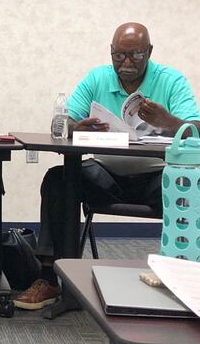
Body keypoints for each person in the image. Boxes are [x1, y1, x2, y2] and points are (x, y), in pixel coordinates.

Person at [14, 22, 200, 310]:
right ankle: (51, 278)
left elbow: (196, 130)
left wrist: (170, 123)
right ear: (111, 52)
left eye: (135, 56)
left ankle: (186, 283)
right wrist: (77, 126)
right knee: (58, 179)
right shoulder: (98, 77)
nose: (125, 64)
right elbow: (59, 124)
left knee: (191, 186)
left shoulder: (171, 80)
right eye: (118, 55)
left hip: (157, 178)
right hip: (107, 175)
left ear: (149, 52)